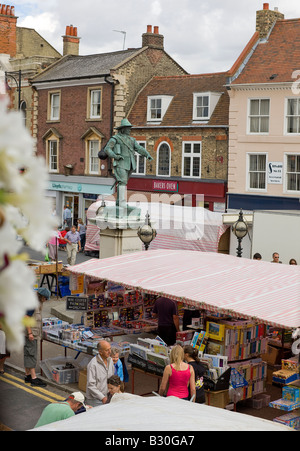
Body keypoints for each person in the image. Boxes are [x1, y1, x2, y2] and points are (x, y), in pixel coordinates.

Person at [104, 118, 153, 209]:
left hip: (130, 164)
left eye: (130, 128)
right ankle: (122, 202)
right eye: (128, 128)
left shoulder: (132, 140)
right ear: (123, 129)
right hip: (120, 162)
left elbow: (139, 148)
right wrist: (115, 156)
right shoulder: (116, 138)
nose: (129, 129)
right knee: (122, 181)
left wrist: (147, 154)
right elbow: (107, 149)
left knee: (123, 182)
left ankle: (119, 202)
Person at [24, 287, 51, 387]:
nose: (46, 300)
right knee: (32, 354)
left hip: (31, 332)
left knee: (28, 353)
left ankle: (28, 375)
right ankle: (33, 378)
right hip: (31, 333)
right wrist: (30, 333)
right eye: (45, 298)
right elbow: (26, 317)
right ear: (41, 296)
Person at [86, 340, 114, 406]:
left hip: (107, 396)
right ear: (100, 351)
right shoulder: (93, 365)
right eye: (107, 350)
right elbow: (91, 385)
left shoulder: (110, 361)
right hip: (95, 400)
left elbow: (111, 378)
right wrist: (102, 398)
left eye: (110, 349)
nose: (110, 352)